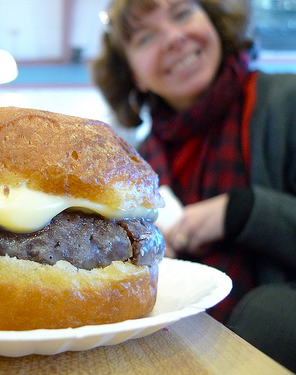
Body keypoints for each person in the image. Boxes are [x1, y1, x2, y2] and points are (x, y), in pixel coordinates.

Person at [91, 0, 296, 370]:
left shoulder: (286, 102)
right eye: (145, 37)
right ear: (135, 74)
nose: (173, 38)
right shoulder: (133, 163)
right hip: (171, 347)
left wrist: (243, 211)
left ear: (216, 24)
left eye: (183, 13)